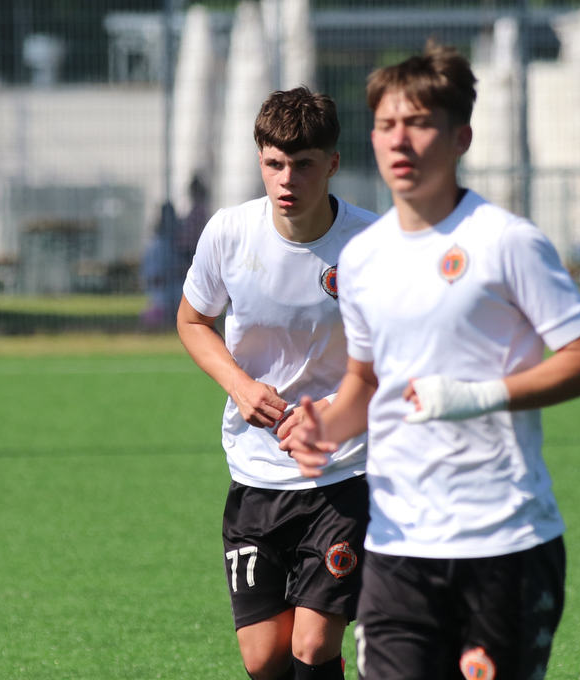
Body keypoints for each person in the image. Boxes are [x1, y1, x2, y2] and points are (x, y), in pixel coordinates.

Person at [281, 43, 580, 680]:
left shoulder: (506, 241)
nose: (399, 139)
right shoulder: (362, 258)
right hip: (397, 545)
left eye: (419, 123)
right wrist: (326, 426)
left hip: (503, 543)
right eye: (386, 123)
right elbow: (366, 381)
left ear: (460, 136)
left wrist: (479, 396)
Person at [177, 87, 378, 680]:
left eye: (304, 164)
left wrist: (335, 412)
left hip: (344, 472)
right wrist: (240, 386)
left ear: (332, 163)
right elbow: (193, 322)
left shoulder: (372, 246)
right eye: (274, 163)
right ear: (260, 160)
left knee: (312, 646)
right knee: (264, 658)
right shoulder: (229, 232)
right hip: (256, 472)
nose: (287, 179)